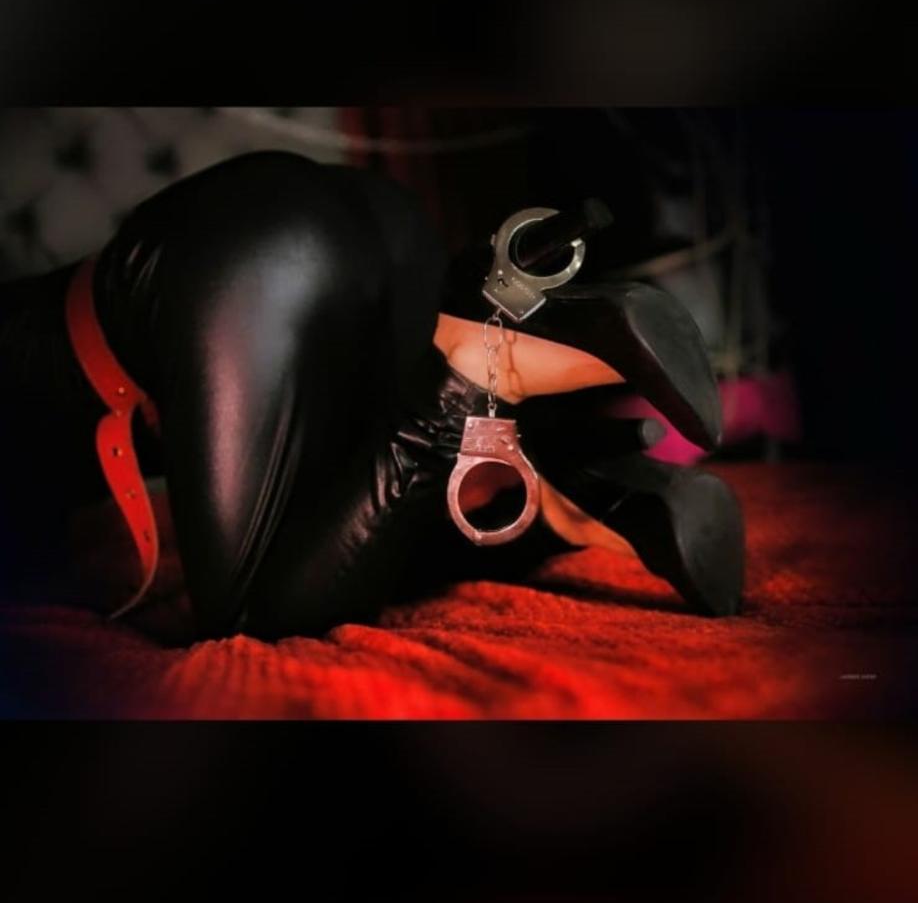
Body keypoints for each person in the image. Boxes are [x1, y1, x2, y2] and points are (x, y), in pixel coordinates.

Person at [0, 151, 743, 643]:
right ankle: (572, 496)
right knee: (346, 530)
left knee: (251, 616)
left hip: (245, 272)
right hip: (371, 227)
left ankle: (486, 369)